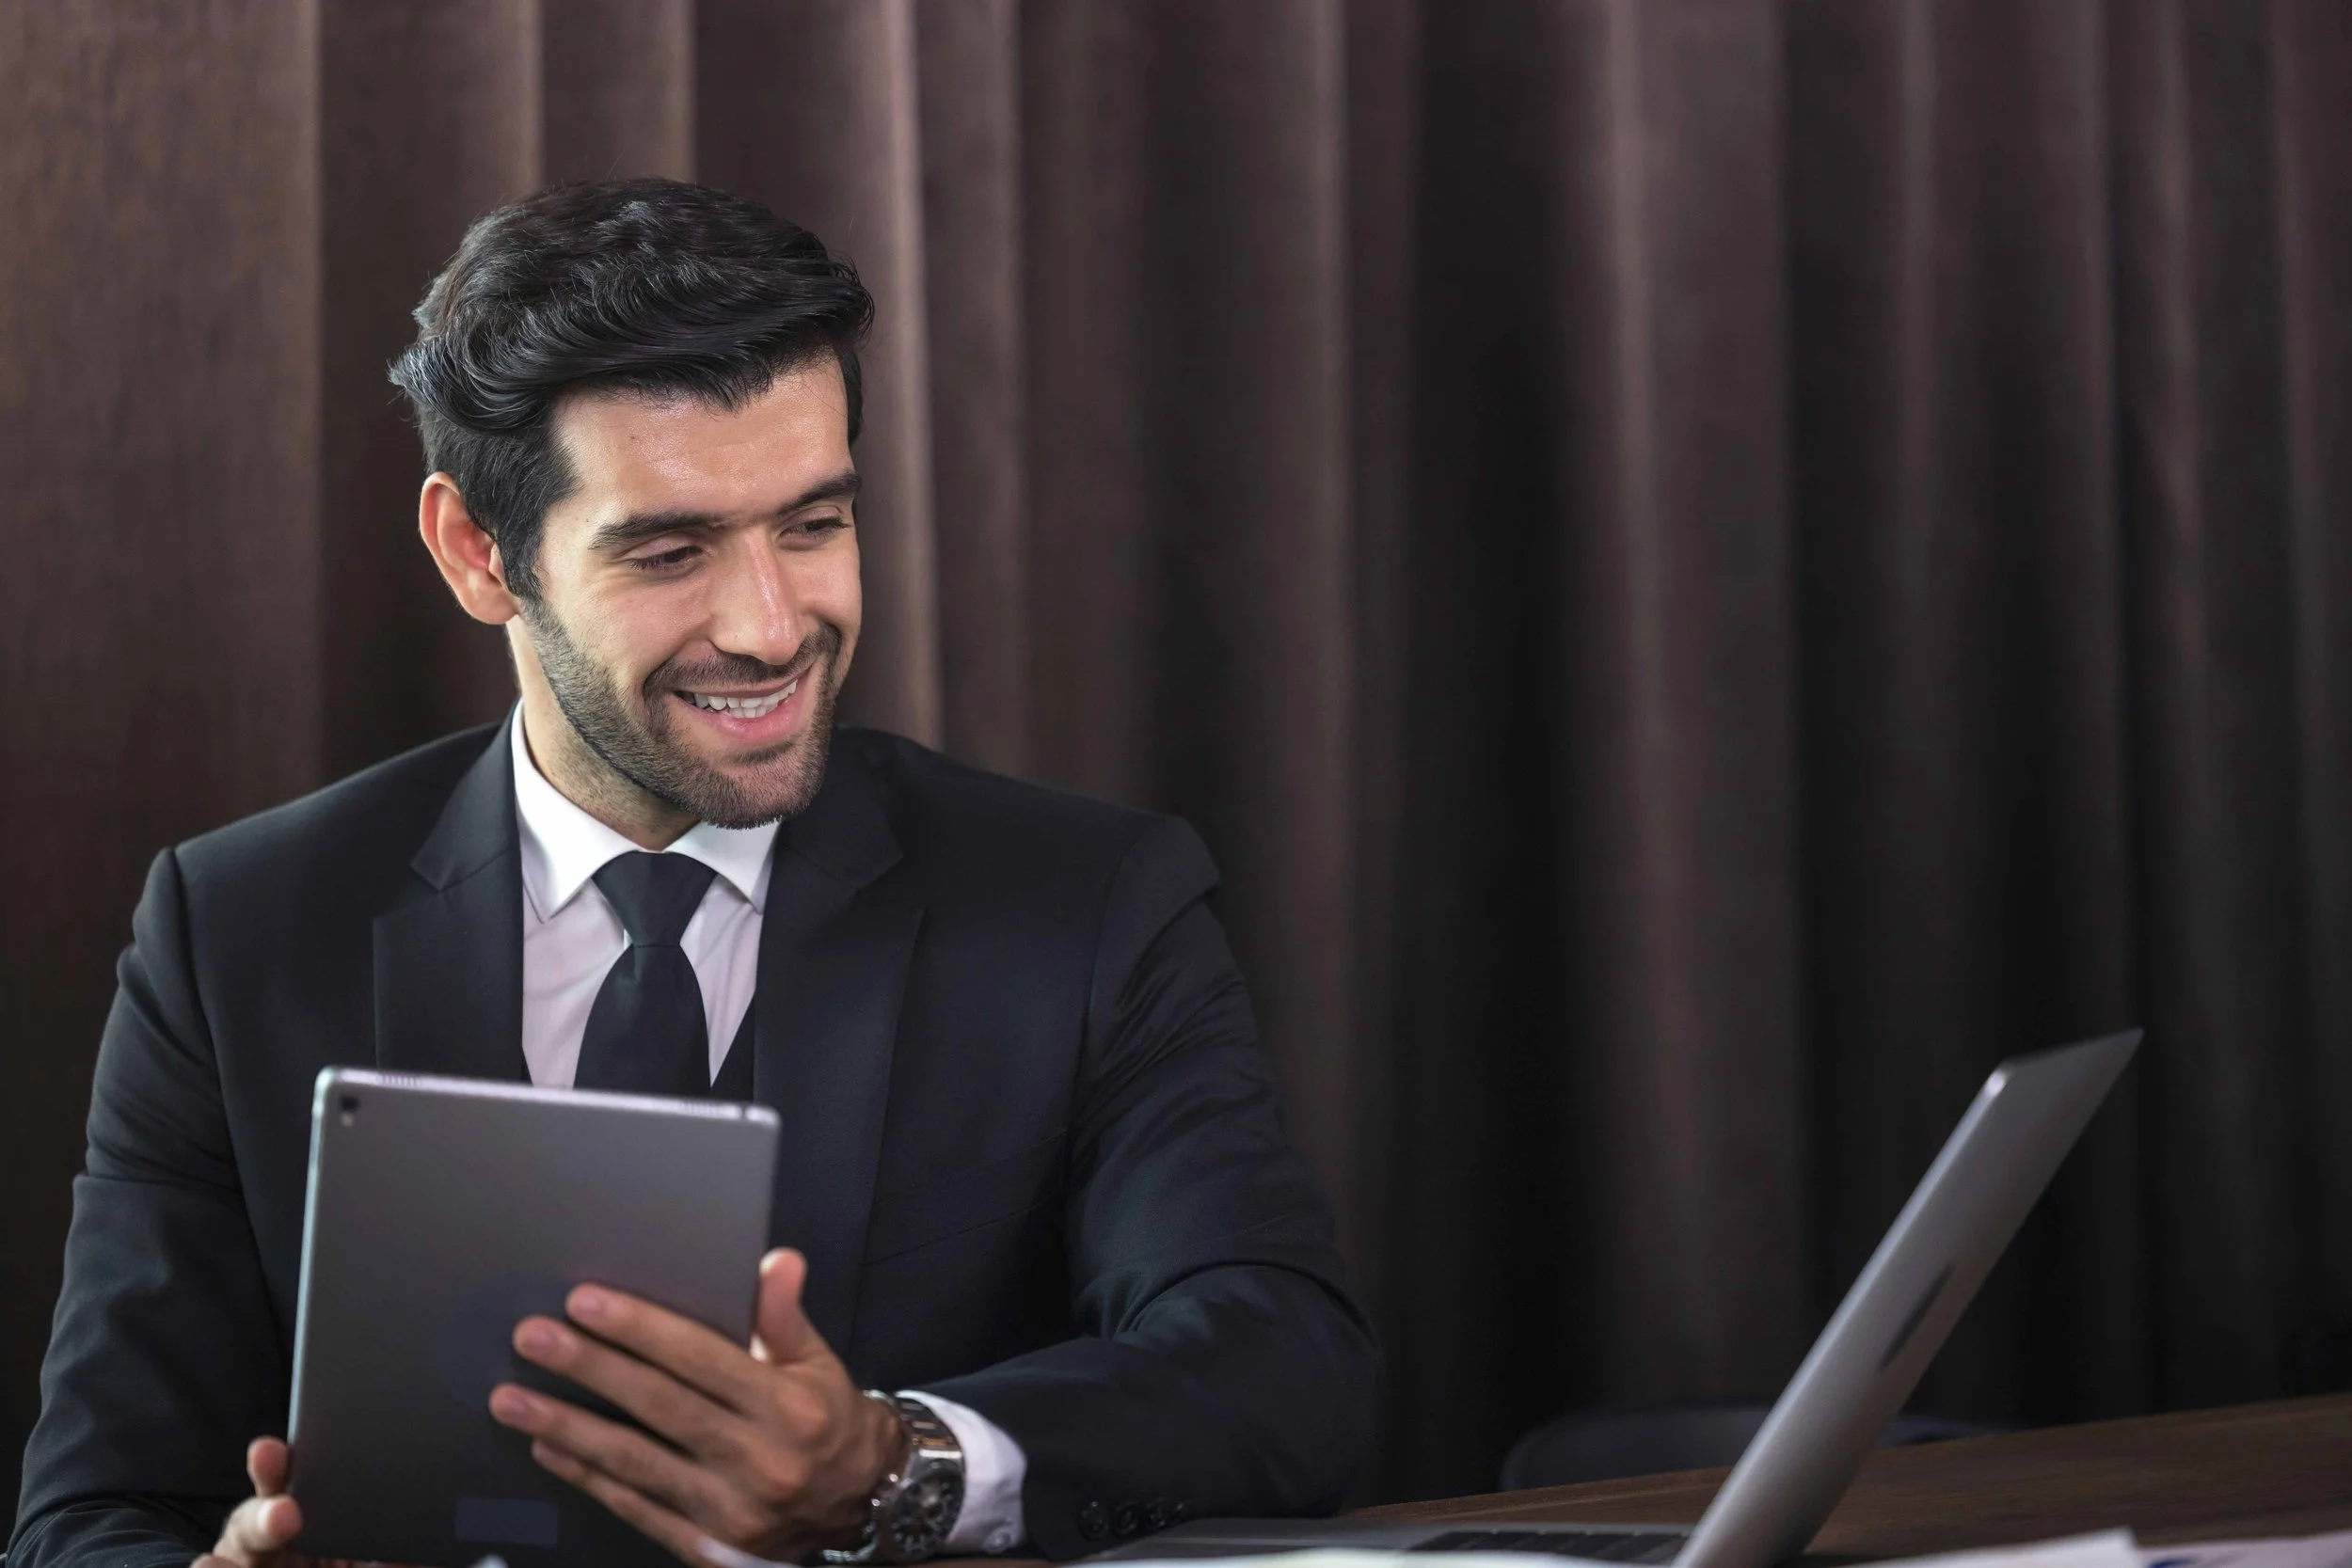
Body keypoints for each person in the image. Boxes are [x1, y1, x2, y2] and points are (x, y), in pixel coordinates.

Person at [8, 178, 1378, 1568]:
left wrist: (896, 1462)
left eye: (813, 523)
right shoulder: (232, 929)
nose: (773, 626)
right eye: (671, 550)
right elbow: (89, 1513)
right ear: (477, 553)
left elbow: (1284, 1370)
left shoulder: (1093, 903)